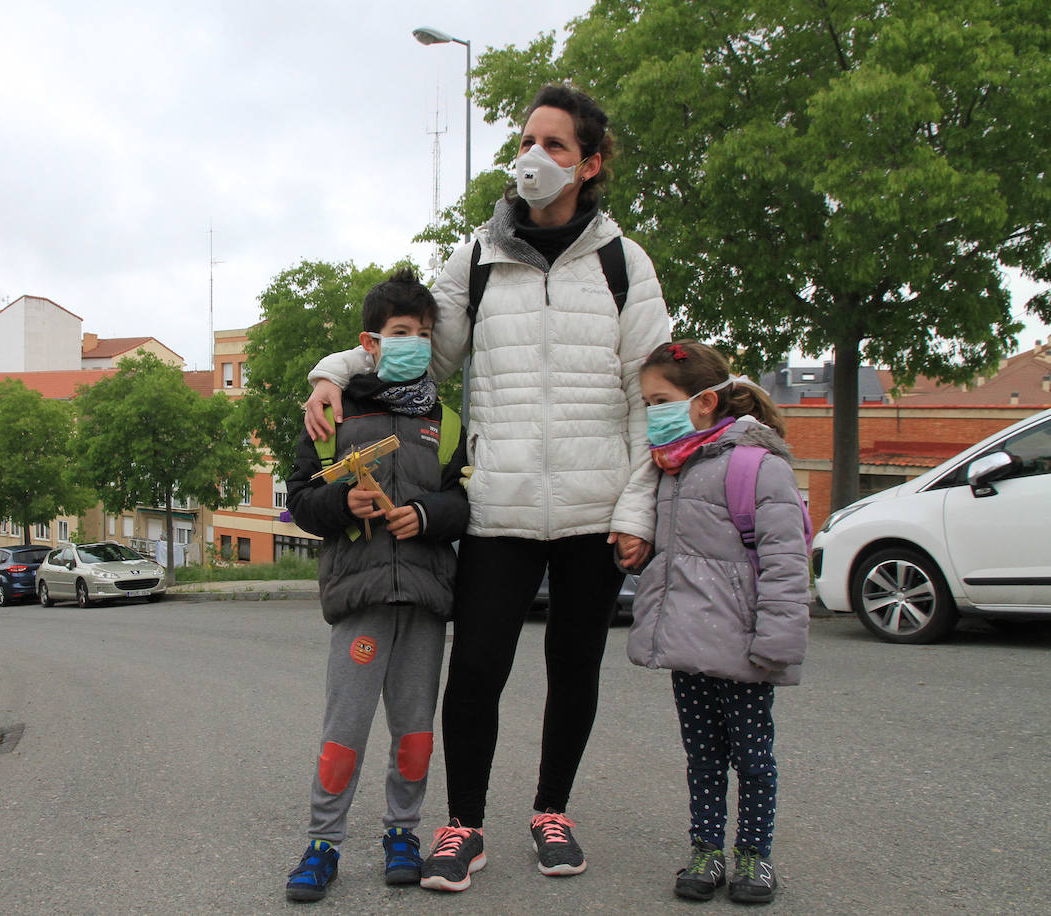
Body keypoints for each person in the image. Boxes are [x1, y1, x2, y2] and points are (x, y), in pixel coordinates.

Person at [304, 84, 671, 892]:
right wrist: (333, 370)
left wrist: (637, 505)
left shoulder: (622, 262)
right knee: (476, 672)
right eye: (528, 140)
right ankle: (462, 826)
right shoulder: (476, 256)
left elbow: (653, 393)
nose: (534, 157)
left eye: (557, 146)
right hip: (500, 505)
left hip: (593, 508)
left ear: (591, 163)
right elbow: (414, 351)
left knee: (575, 668)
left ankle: (552, 813)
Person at [282, 267, 470, 903]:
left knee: (415, 729)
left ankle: (403, 834)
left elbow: (464, 504)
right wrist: (342, 503)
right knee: (346, 727)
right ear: (371, 341)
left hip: (424, 599)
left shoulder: (444, 421)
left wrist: (426, 515)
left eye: (422, 332)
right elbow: (301, 502)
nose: (413, 341)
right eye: (399, 331)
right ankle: (322, 843)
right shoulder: (332, 412)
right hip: (359, 601)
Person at [627, 340, 811, 905]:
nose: (652, 411)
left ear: (704, 401)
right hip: (688, 646)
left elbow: (785, 562)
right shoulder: (673, 466)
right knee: (702, 757)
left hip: (744, 649)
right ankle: (706, 850)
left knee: (753, 760)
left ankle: (754, 856)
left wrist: (777, 644)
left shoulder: (758, 465)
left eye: (661, 400)